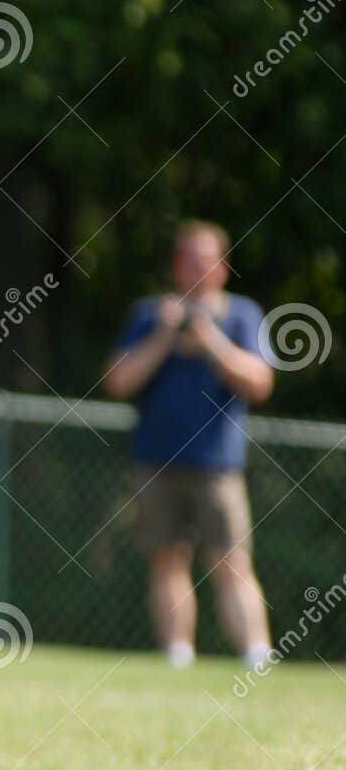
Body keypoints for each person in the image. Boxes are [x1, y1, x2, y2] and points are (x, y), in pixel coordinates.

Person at [103, 221, 275, 669]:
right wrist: (163, 336)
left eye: (206, 258)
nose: (197, 267)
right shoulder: (149, 315)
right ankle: (178, 654)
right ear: (176, 265)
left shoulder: (242, 315)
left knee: (231, 560)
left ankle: (256, 654)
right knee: (167, 559)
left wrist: (210, 341)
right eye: (188, 258)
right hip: (156, 462)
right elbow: (119, 381)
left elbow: (260, 383)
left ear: (222, 266)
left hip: (218, 465)